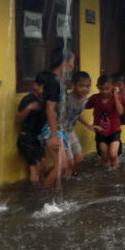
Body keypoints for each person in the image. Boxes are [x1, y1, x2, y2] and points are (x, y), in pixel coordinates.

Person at [40, 47, 75, 189]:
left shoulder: (58, 80)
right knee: (61, 165)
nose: (73, 65)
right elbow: (50, 109)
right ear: (65, 62)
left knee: (64, 166)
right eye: (73, 61)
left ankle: (51, 196)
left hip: (60, 129)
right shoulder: (53, 81)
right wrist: (54, 136)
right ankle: (44, 198)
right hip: (52, 129)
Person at [15, 71, 48, 185]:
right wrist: (29, 108)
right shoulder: (28, 99)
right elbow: (18, 118)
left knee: (43, 166)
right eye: (44, 88)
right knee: (35, 168)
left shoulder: (44, 101)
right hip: (27, 138)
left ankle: (41, 190)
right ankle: (34, 196)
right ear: (36, 85)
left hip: (37, 138)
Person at [85, 74, 125, 168]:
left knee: (113, 155)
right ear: (98, 87)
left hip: (114, 131)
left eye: (108, 88)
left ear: (113, 87)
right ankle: (105, 177)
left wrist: (115, 96)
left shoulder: (116, 97)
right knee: (104, 156)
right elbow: (83, 105)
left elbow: (120, 111)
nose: (104, 91)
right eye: (102, 88)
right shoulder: (95, 98)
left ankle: (116, 177)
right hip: (100, 132)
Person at [66, 70, 95, 171]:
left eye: (87, 86)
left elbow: (77, 114)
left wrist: (88, 125)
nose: (85, 89)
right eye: (81, 86)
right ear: (73, 85)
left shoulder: (85, 99)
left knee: (79, 159)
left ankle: (64, 175)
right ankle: (65, 179)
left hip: (70, 131)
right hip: (61, 132)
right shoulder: (67, 100)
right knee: (70, 163)